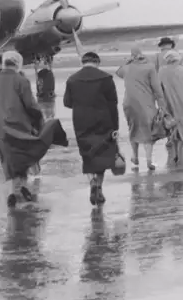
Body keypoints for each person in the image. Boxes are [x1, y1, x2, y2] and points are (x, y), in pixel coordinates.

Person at [0, 51, 44, 207]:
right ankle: (17, 190)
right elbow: (30, 105)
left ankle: (16, 189)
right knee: (22, 157)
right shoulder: (22, 81)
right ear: (17, 64)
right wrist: (39, 120)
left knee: (7, 158)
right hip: (20, 126)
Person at [63, 51, 120, 205]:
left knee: (87, 154)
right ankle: (99, 187)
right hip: (104, 120)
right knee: (102, 154)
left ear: (83, 62)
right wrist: (115, 127)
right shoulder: (106, 78)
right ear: (97, 62)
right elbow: (112, 104)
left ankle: (92, 182)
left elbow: (67, 103)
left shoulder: (72, 79)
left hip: (81, 121)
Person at [116, 46, 166, 171]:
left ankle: (135, 156)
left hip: (129, 103)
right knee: (148, 130)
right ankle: (149, 160)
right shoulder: (150, 67)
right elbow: (157, 88)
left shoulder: (127, 68)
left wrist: (127, 61)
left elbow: (118, 72)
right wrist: (162, 104)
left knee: (133, 128)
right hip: (146, 103)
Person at [158, 50, 183, 168]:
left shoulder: (161, 71)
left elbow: (159, 90)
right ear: (178, 59)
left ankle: (175, 154)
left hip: (168, 104)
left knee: (173, 128)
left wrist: (161, 106)